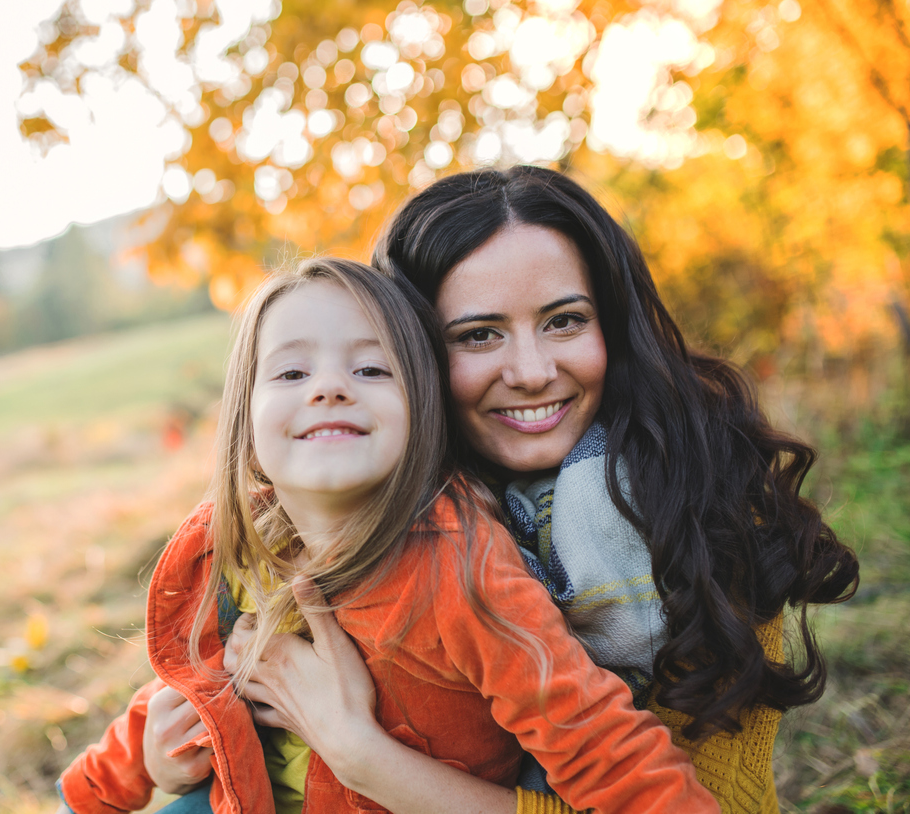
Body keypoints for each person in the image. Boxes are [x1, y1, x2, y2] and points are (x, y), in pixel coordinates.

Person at [145, 166, 860, 814]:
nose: (530, 370)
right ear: (410, 357)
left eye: (565, 321)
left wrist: (360, 754)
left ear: (614, 324)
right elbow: (238, 649)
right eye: (479, 335)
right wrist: (172, 749)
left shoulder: (699, 505)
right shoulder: (374, 506)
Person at [54, 258, 720, 814]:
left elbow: (598, 739)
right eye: (291, 373)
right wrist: (108, 780)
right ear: (245, 426)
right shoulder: (236, 548)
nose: (330, 388)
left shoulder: (459, 569)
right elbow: (194, 684)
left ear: (421, 412)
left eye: (371, 370)